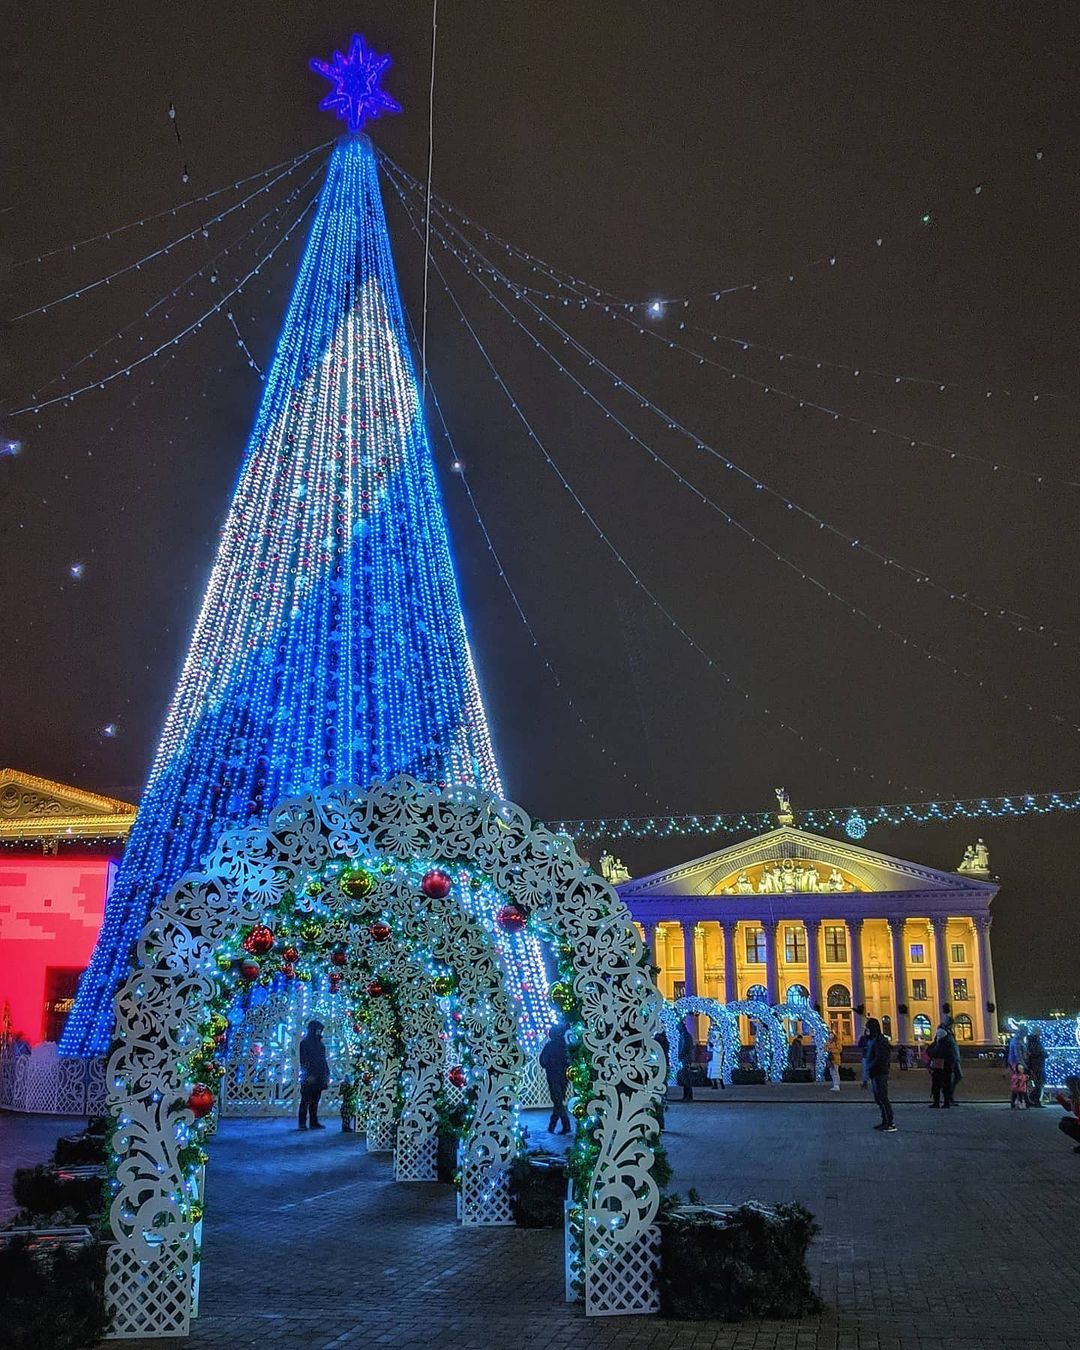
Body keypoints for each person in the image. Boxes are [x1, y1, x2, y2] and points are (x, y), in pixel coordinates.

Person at [861, 1017, 896, 1132]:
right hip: (875, 1072)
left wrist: (871, 1066)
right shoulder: (873, 1039)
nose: (866, 1030)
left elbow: (880, 1058)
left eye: (868, 1027)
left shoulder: (880, 1041)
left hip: (880, 1072)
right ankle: (885, 1120)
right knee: (879, 1098)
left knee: (882, 1097)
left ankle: (889, 1123)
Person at [298, 1019, 330, 1130]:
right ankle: (302, 1123)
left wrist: (326, 1073)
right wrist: (307, 1075)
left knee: (315, 1100)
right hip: (309, 1076)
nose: (319, 1032)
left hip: (319, 1074)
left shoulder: (320, 1044)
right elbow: (303, 1060)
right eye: (318, 1030)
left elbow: (322, 1059)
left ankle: (313, 1122)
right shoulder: (305, 1043)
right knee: (306, 1100)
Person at [540, 1025, 571, 1134]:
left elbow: (542, 1061)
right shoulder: (565, 1046)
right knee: (558, 1101)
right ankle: (552, 1127)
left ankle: (563, 1125)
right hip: (563, 1077)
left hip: (553, 1076)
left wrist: (550, 1065)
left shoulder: (549, 1046)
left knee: (557, 1102)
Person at [927, 1021, 960, 1109]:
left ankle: (943, 1102)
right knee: (939, 1085)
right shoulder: (944, 1042)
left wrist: (932, 1053)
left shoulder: (944, 1043)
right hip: (941, 1066)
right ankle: (940, 1102)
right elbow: (930, 1051)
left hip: (944, 1066)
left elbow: (934, 1052)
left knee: (942, 1085)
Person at [1054, 1076, 1080, 1152]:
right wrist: (1059, 1097)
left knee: (1065, 1124)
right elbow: (1068, 1108)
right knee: (1065, 1120)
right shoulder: (1075, 1097)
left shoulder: (1077, 1097)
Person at [1026, 1029, 1047, 1106]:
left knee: (1039, 1083)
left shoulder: (1032, 1041)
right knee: (1039, 1082)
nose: (1040, 1033)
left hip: (1037, 1064)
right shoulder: (1035, 1041)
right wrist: (1043, 1054)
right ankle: (1035, 1100)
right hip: (1037, 1065)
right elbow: (1035, 1052)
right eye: (1039, 1032)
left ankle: (1033, 1099)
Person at [677, 1018, 696, 1102]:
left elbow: (685, 1047)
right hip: (686, 1058)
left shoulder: (685, 1035)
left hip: (686, 1058)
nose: (677, 1029)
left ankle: (688, 1096)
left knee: (686, 1078)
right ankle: (687, 1096)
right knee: (686, 1078)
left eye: (678, 1027)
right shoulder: (684, 1035)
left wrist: (680, 1055)